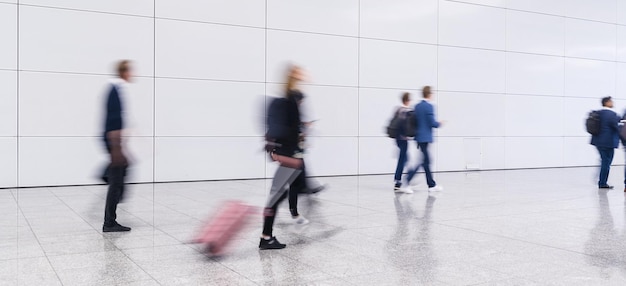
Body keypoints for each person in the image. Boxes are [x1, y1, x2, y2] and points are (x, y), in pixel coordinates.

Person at [260, 65, 309, 250]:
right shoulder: (289, 103)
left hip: (286, 156)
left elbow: (274, 131)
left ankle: (267, 235)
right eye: (298, 74)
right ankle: (266, 237)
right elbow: (290, 132)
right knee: (276, 196)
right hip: (290, 157)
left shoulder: (281, 103)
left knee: (279, 193)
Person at [102, 60, 133, 232]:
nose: (132, 74)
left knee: (120, 176)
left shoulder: (116, 88)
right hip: (114, 143)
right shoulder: (114, 89)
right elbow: (113, 120)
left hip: (115, 142)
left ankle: (110, 220)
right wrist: (116, 147)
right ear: (124, 72)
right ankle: (109, 222)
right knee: (116, 182)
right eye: (130, 71)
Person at [403, 86, 443, 192]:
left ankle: (431, 185)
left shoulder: (417, 106)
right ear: (429, 94)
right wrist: (440, 123)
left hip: (419, 137)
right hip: (425, 137)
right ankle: (407, 180)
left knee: (426, 161)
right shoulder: (429, 106)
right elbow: (432, 123)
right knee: (424, 161)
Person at [591, 96, 619, 189]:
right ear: (607, 102)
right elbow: (616, 127)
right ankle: (602, 183)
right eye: (611, 101)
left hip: (597, 142)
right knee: (606, 163)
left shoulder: (598, 113)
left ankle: (600, 180)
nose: (612, 103)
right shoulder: (611, 114)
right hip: (607, 143)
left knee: (604, 161)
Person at [393, 92, 413, 193]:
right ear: (407, 100)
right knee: (403, 160)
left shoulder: (398, 110)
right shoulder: (405, 112)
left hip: (397, 139)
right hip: (403, 139)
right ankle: (400, 181)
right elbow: (406, 127)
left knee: (404, 159)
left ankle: (401, 180)